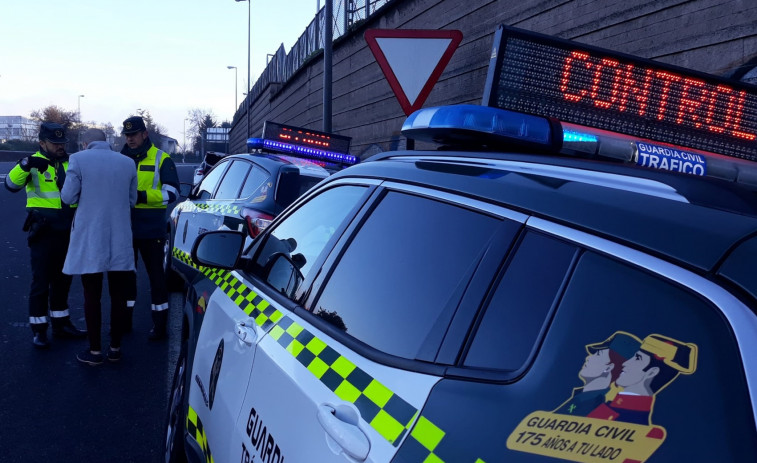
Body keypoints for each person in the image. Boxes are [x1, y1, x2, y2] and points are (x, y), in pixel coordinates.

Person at [4, 122, 87, 348]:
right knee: (41, 282)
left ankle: (61, 325)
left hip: (69, 230)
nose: (60, 146)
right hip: (43, 231)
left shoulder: (72, 162)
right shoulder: (31, 163)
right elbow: (10, 185)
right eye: (55, 143)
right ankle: (39, 330)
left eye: (63, 143)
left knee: (63, 281)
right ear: (42, 143)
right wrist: (25, 164)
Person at [61, 128, 138, 365]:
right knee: (118, 295)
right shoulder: (127, 163)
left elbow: (67, 197)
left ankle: (94, 351)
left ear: (86, 144)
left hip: (90, 236)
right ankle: (115, 348)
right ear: (107, 143)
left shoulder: (77, 160)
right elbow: (132, 200)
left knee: (91, 294)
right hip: (120, 236)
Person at [120, 116, 180, 340]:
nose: (130, 139)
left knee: (156, 278)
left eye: (133, 134)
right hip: (124, 229)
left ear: (144, 134)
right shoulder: (120, 159)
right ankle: (124, 321)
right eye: (127, 135)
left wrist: (140, 196)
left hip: (151, 229)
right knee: (125, 279)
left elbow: (172, 193)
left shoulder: (162, 159)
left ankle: (160, 325)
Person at [587, 333, 698, 425]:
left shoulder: (629, 419)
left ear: (651, 372)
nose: (626, 363)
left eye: (637, 359)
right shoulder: (612, 406)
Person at [555, 331, 641, 416]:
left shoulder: (596, 406)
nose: (588, 358)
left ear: (608, 367)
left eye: (598, 354)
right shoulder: (582, 398)